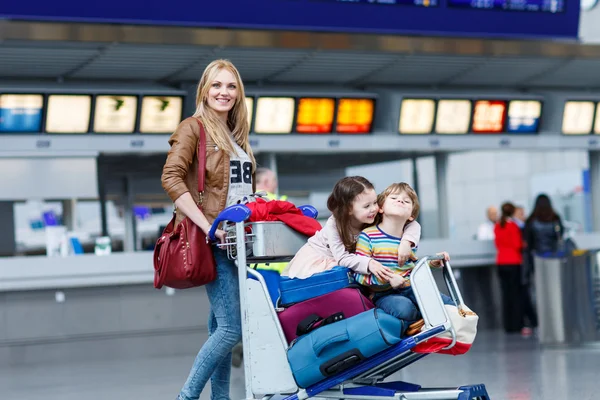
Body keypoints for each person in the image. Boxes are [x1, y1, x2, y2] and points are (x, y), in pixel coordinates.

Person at [161, 59, 255, 400]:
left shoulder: (236, 136)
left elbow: (239, 193)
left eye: (231, 86)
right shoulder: (194, 128)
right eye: (216, 85)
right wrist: (208, 227)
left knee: (220, 326)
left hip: (237, 244)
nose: (223, 92)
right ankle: (186, 397)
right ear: (204, 90)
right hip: (214, 240)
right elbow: (170, 178)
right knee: (232, 328)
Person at [353, 182, 452, 333]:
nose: (400, 201)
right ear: (380, 208)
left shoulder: (408, 240)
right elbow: (359, 275)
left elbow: (412, 265)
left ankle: (423, 322)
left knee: (448, 305)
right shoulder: (368, 236)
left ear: (411, 215)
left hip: (411, 288)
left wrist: (433, 262)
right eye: (394, 198)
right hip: (383, 293)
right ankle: (419, 324)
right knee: (404, 308)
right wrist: (388, 279)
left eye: (406, 201)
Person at [281, 176, 421, 282]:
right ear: (348, 209)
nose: (373, 208)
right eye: (367, 206)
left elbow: (412, 223)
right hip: (323, 260)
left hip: (352, 261)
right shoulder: (335, 224)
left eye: (374, 202)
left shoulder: (372, 215)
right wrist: (369, 263)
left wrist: (406, 241)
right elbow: (342, 258)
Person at [231, 166, 286, 368]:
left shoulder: (247, 205)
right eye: (272, 179)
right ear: (263, 183)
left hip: (254, 267)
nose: (275, 183)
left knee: (256, 312)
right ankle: (266, 353)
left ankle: (247, 346)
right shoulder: (275, 202)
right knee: (274, 313)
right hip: (272, 269)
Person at [494, 202, 524, 334]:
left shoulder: (497, 226)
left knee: (505, 295)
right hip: (514, 261)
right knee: (515, 295)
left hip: (501, 261)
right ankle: (517, 324)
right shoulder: (513, 226)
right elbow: (517, 244)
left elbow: (497, 243)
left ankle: (508, 325)